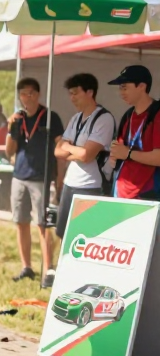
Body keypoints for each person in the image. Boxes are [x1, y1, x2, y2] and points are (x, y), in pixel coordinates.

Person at [6, 77, 64, 287]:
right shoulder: (18, 119)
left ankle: (48, 270)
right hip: (19, 176)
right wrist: (10, 128)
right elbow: (9, 151)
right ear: (19, 96)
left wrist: (59, 177)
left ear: (38, 94)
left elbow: (61, 148)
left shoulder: (50, 117)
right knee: (21, 222)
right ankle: (27, 267)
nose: (27, 97)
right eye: (23, 93)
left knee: (43, 225)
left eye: (31, 93)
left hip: (41, 177)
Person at [54, 73, 116, 239]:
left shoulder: (104, 118)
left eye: (75, 93)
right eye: (70, 94)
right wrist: (75, 150)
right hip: (70, 182)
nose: (72, 98)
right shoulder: (76, 118)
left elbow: (87, 155)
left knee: (85, 236)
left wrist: (68, 147)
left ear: (90, 92)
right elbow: (58, 151)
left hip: (91, 185)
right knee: (63, 234)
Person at [108, 64, 160, 200]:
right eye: (120, 88)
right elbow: (118, 151)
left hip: (148, 195)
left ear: (142, 86)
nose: (121, 93)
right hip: (121, 192)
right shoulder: (128, 115)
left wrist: (128, 153)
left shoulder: (157, 113)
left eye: (125, 87)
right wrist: (115, 155)